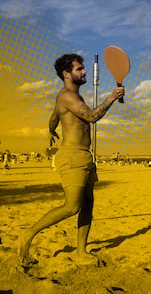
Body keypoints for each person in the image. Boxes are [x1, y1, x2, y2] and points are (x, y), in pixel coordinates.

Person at [18, 53, 125, 265]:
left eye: (83, 68)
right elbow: (92, 117)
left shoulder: (66, 97)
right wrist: (112, 97)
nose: (84, 71)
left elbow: (54, 117)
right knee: (71, 206)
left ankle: (81, 252)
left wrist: (50, 131)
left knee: (87, 205)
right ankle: (27, 235)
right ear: (66, 74)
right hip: (72, 157)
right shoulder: (68, 96)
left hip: (84, 156)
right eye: (79, 69)